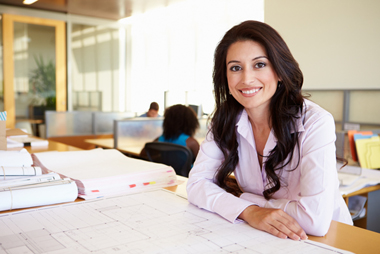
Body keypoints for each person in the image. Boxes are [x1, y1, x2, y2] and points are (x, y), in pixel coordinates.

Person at [186, 20, 353, 240]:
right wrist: (251, 212)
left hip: (326, 240)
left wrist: (245, 199)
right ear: (225, 78)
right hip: (263, 236)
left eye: (260, 64)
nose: (246, 79)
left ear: (280, 71)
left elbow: (314, 220)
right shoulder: (224, 120)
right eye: (235, 68)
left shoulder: (315, 122)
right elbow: (196, 185)